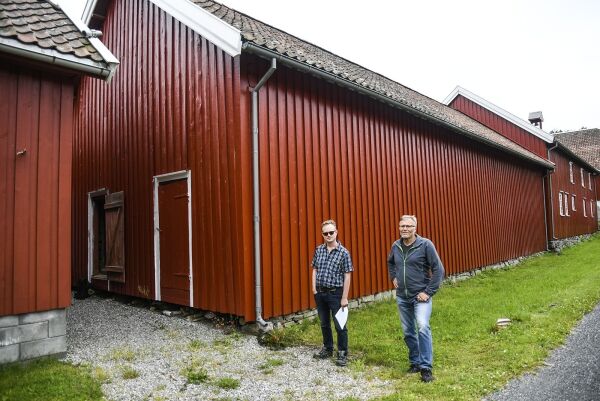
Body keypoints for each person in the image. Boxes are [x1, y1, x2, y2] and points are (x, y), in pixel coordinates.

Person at [387, 215, 444, 382]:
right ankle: (415, 362)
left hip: (420, 297)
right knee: (408, 331)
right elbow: (390, 262)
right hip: (402, 297)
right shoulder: (396, 246)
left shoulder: (425, 245)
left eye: (409, 226)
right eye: (402, 226)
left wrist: (428, 292)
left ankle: (426, 368)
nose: (405, 229)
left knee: (423, 327)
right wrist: (393, 277)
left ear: (415, 228)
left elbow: (439, 270)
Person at [311, 219, 353, 366]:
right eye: (325, 233)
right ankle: (327, 348)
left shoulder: (344, 253)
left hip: (336, 293)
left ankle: (342, 352)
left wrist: (344, 298)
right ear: (322, 235)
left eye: (331, 232)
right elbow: (314, 269)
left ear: (336, 232)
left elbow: (347, 275)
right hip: (320, 293)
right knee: (324, 323)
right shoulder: (319, 250)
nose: (328, 235)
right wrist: (314, 289)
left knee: (340, 324)